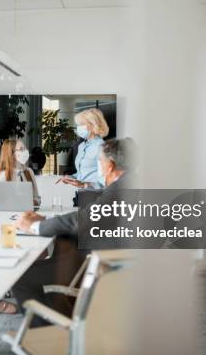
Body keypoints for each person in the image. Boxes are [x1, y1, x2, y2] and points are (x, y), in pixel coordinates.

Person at [12, 138, 136, 326]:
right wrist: (46, 220)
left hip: (94, 263)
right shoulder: (129, 183)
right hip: (98, 256)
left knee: (20, 276)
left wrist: (33, 227)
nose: (99, 168)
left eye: (99, 163)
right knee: (53, 249)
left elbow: (83, 220)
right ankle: (61, 318)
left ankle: (46, 332)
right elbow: (90, 215)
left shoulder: (121, 189)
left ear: (110, 166)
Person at [57, 108, 109, 190]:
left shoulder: (102, 147)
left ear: (92, 125)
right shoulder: (82, 146)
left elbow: (106, 181)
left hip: (96, 195)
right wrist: (70, 177)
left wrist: (85, 185)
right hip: (81, 194)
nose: (78, 127)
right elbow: (82, 173)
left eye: (81, 124)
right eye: (78, 125)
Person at [0, 139, 41, 207]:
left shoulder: (29, 172)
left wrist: (33, 201)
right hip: (6, 215)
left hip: (27, 214)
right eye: (21, 149)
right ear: (11, 153)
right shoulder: (2, 175)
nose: (25, 151)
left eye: (25, 148)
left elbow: (37, 198)